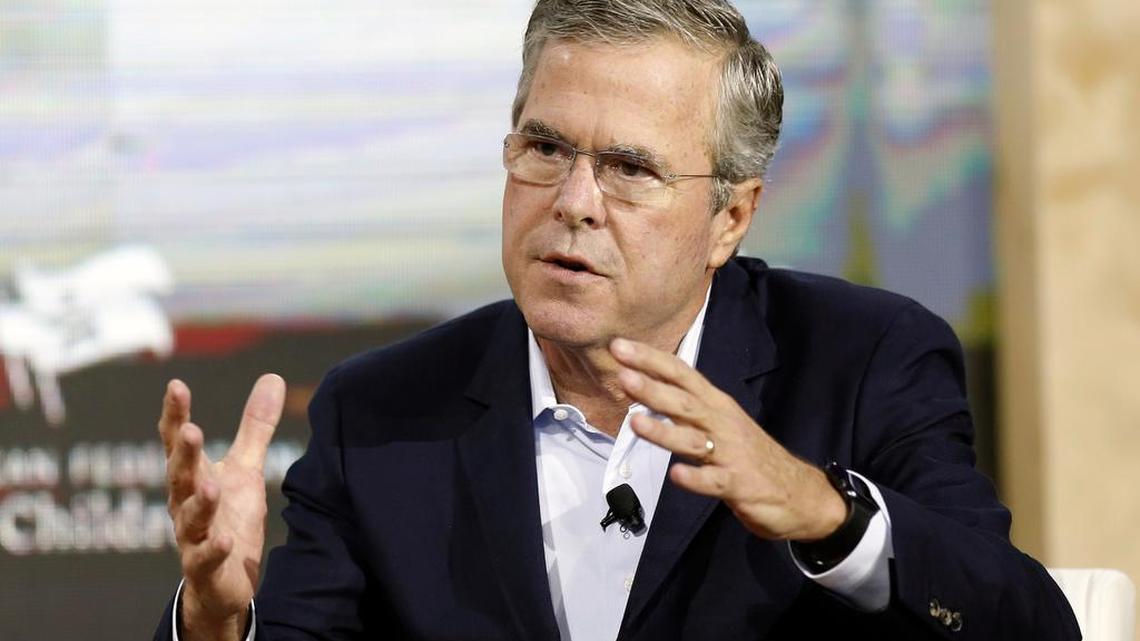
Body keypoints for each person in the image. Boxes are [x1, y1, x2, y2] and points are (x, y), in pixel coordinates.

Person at [153, 1, 1080, 640]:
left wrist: (824, 512)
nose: (575, 202)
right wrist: (216, 619)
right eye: (546, 147)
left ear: (730, 216)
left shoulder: (861, 360)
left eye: (631, 169)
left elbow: (1027, 621)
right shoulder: (383, 414)